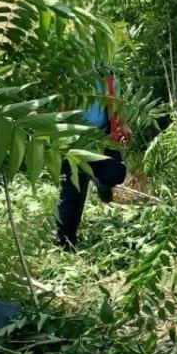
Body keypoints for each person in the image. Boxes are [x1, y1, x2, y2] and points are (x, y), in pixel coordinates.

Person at [55, 71, 131, 249]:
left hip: (103, 135)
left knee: (116, 173)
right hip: (73, 139)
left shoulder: (107, 76)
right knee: (72, 191)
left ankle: (101, 182)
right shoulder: (67, 76)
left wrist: (123, 123)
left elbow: (116, 99)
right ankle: (65, 241)